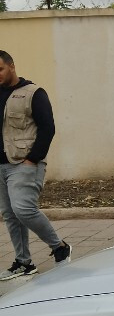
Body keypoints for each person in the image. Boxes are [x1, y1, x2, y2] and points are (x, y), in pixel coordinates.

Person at [0, 51, 71, 279]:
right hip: (1, 166)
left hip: (24, 163)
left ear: (11, 66)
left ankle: (59, 246)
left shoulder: (33, 93)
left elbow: (47, 129)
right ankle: (24, 262)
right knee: (10, 214)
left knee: (23, 209)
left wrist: (32, 159)